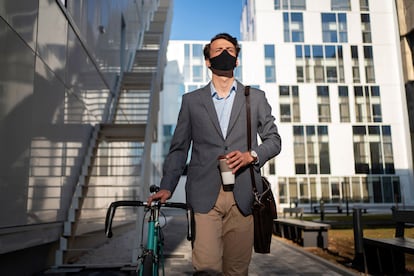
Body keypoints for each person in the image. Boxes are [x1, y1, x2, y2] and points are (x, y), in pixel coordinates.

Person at [148, 33, 281, 275]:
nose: (224, 54)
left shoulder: (256, 98)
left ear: (237, 60)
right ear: (208, 61)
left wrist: (251, 155)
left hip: (243, 195)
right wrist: (167, 186)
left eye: (230, 50)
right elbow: (179, 148)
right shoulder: (191, 101)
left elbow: (274, 140)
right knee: (206, 268)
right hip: (203, 194)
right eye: (218, 50)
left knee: (237, 270)